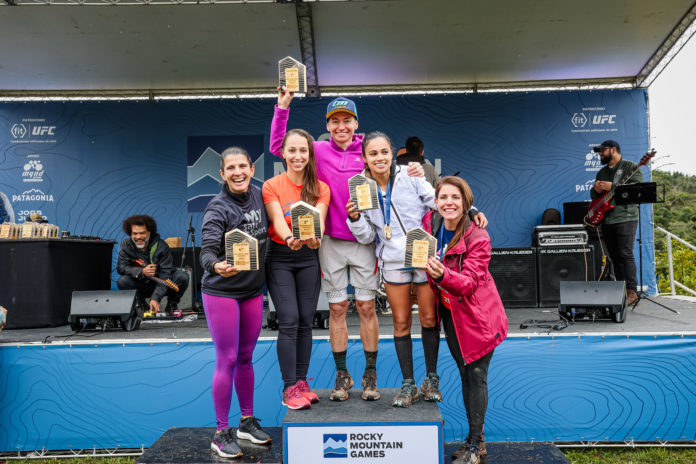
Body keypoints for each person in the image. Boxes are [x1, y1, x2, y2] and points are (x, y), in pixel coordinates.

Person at [270, 88, 424, 402]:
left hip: (365, 240)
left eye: (347, 121)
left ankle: (370, 375)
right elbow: (278, 147)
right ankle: (342, 376)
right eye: (335, 121)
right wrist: (282, 107)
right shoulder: (317, 149)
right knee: (337, 308)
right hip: (329, 241)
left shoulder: (367, 148)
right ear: (327, 125)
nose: (341, 126)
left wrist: (415, 168)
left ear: (356, 123)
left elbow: (390, 166)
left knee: (367, 307)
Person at [346, 132, 488, 408]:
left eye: (384, 152)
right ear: (364, 158)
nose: (379, 158)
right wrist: (354, 218)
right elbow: (366, 236)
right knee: (400, 322)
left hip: (423, 255)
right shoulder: (359, 187)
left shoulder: (410, 176)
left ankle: (431, 379)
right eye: (373, 154)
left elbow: (440, 201)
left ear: (392, 154)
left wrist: (471, 210)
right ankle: (408, 383)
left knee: (429, 318)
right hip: (392, 261)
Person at [423, 176, 508, 464]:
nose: (449, 202)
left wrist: (442, 275)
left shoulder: (478, 237)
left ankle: (475, 445)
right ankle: (476, 441)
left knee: (476, 375)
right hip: (452, 315)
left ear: (466, 202)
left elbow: (469, 283)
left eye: (456, 198)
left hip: (478, 318)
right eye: (443, 197)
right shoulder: (432, 225)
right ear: (435, 202)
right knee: (464, 373)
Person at [200, 147, 271, 458]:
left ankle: (246, 422)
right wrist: (216, 265)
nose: (237, 172)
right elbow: (206, 251)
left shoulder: (261, 195)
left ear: (252, 169)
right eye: (231, 168)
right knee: (227, 358)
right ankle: (220, 432)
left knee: (245, 357)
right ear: (222, 174)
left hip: (252, 291)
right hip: (222, 291)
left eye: (242, 166)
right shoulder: (217, 208)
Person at [263, 129, 330, 410]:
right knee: (289, 319)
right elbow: (277, 219)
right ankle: (289, 387)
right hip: (280, 255)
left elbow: (320, 222)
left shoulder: (321, 188)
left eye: (303, 150)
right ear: (283, 153)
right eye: (292, 150)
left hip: (308, 257)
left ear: (310, 153)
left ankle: (302, 382)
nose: (298, 156)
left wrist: (316, 239)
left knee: (305, 320)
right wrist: (290, 237)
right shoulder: (272, 185)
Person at [591, 140, 643, 306]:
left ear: (613, 149)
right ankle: (621, 291)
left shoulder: (630, 166)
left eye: (602, 151)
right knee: (614, 256)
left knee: (625, 253)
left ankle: (632, 292)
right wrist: (596, 190)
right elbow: (595, 196)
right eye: (599, 151)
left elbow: (638, 190)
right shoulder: (602, 172)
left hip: (625, 217)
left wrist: (613, 186)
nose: (600, 154)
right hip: (607, 218)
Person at [116, 215, 190, 314]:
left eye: (142, 233)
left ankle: (172, 305)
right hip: (142, 284)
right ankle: (141, 306)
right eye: (135, 233)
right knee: (122, 281)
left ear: (150, 232)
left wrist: (156, 298)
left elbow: (166, 274)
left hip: (161, 283)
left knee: (182, 276)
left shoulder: (161, 246)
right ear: (130, 233)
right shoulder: (126, 246)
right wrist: (141, 271)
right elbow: (121, 268)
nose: (138, 237)